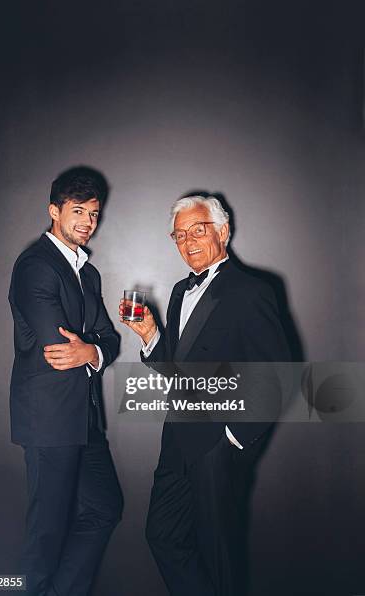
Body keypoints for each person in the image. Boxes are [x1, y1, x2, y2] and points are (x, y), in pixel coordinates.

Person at [120, 195, 290, 596]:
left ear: (223, 232)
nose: (188, 241)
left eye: (199, 230)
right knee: (162, 535)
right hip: (176, 439)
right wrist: (150, 336)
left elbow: (278, 375)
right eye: (179, 235)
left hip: (217, 444)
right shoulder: (181, 291)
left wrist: (233, 437)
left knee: (218, 553)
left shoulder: (252, 290)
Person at [9, 167, 122, 596]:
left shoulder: (87, 273)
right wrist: (90, 349)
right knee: (47, 531)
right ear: (53, 211)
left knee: (104, 508)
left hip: (85, 421)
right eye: (78, 212)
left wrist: (92, 350)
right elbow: (59, 351)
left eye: (94, 214)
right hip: (49, 420)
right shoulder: (36, 267)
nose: (87, 223)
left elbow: (105, 340)